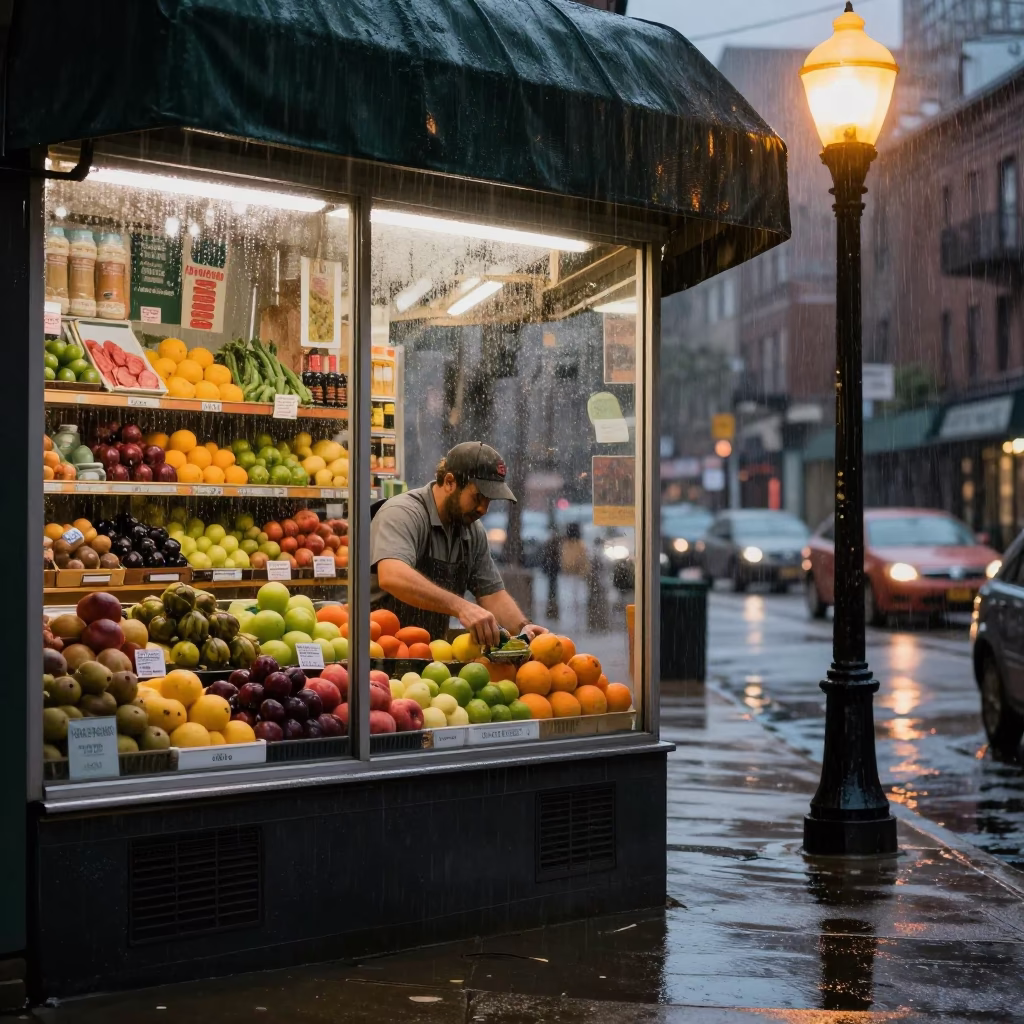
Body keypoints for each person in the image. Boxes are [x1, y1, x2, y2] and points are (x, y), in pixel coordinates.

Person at [370, 441, 547, 648]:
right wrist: (461, 607)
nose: (483, 509)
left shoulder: (472, 529)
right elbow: (392, 576)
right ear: (449, 482)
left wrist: (523, 628)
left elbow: (492, 594)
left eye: (489, 500)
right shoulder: (403, 513)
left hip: (431, 656)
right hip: (380, 654)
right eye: (478, 497)